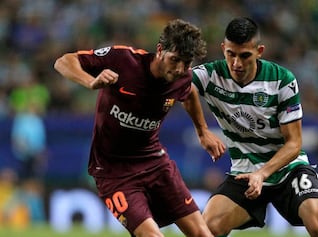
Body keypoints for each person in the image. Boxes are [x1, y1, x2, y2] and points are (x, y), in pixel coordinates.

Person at [54, 19, 224, 237]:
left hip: (155, 163)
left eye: (187, 63)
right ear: (160, 50)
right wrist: (90, 81)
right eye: (175, 60)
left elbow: (189, 93)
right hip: (114, 173)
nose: (180, 68)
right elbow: (63, 61)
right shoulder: (123, 60)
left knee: (203, 234)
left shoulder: (182, 78)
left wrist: (202, 132)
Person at [184, 17, 318, 237]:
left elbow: (294, 144)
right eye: (231, 54)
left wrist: (262, 174)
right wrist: (202, 131)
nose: (236, 63)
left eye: (245, 55)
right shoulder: (210, 75)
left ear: (259, 51)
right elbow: (182, 85)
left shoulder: (281, 80)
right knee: (207, 229)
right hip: (244, 171)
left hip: (287, 169)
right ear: (223, 48)